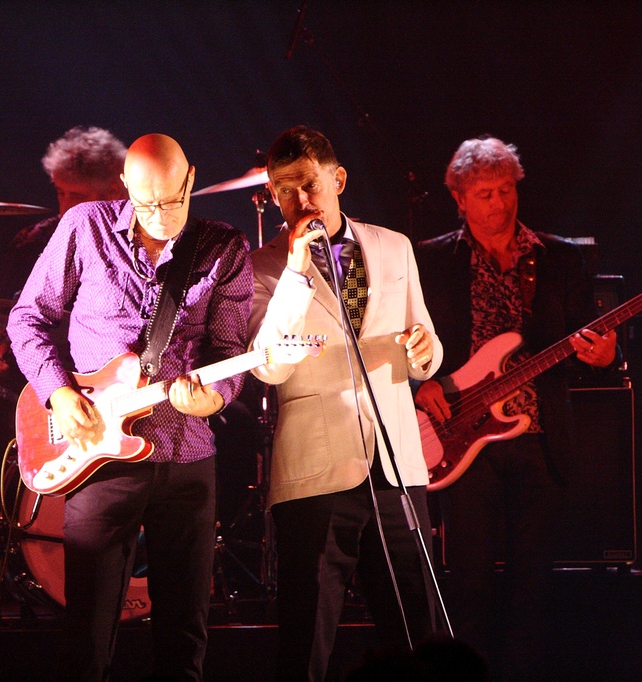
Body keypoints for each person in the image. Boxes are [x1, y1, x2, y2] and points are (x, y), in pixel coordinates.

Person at [7, 133, 253, 681]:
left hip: (186, 455)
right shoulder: (85, 228)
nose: (160, 215)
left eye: (170, 200)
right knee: (88, 631)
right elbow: (27, 319)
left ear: (191, 180)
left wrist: (215, 396)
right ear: (124, 186)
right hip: (99, 456)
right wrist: (59, 392)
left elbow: (229, 349)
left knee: (184, 630)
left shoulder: (224, 245)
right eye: (146, 203)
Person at [413, 136, 618, 679]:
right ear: (459, 197)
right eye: (484, 193)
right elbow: (401, 335)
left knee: (534, 582)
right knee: (470, 582)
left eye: (506, 190)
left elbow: (583, 342)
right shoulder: (431, 260)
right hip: (463, 436)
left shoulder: (560, 258)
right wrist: (422, 380)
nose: (498, 204)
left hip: (541, 435)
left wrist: (604, 355)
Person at [249, 125, 443, 681]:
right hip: (316, 471)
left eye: (308, 184)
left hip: (395, 465)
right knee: (307, 641)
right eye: (284, 190)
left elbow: (422, 347)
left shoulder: (393, 246)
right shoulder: (262, 266)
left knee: (417, 636)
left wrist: (426, 351)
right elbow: (269, 365)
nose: (299, 201)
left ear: (338, 180)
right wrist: (293, 269)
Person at [0, 125, 128, 300]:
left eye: (77, 196)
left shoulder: (137, 246)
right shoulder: (32, 241)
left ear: (114, 192)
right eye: (60, 192)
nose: (65, 206)